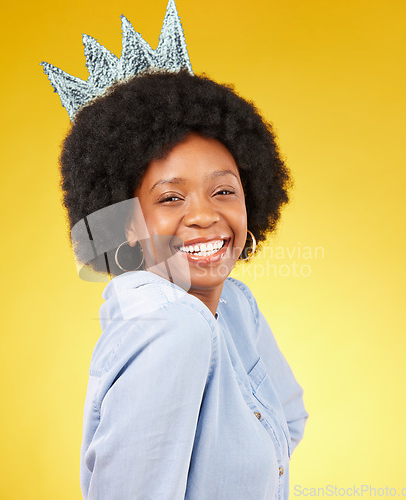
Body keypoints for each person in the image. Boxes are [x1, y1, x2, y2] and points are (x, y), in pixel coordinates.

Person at [42, 2, 308, 498]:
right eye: (170, 197)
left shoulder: (234, 305)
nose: (205, 215)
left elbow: (288, 421)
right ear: (126, 225)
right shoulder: (172, 325)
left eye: (224, 190)